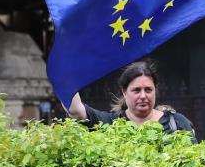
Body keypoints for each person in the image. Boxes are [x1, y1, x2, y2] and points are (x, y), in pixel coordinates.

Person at [66, 61, 197, 142]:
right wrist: (65, 72)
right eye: (136, 90)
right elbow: (75, 111)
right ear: (124, 92)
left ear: (155, 90)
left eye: (148, 90)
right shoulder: (110, 124)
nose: (143, 96)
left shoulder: (176, 123)